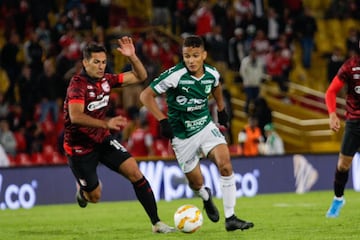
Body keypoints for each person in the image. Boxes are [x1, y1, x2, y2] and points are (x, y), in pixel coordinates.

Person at [140, 35, 254, 232]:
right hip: (181, 136)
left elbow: (216, 86)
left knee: (225, 165)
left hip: (205, 127)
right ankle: (205, 196)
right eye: (186, 56)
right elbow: (145, 96)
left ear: (204, 55)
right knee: (196, 183)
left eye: (195, 55)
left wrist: (221, 109)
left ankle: (231, 218)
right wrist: (162, 119)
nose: (191, 60)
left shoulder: (212, 73)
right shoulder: (175, 75)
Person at [63, 37, 175, 233]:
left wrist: (132, 57)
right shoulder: (77, 84)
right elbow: (75, 116)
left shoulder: (107, 80)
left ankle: (156, 223)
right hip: (80, 148)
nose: (101, 66)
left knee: (135, 172)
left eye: (104, 62)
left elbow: (140, 76)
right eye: (96, 62)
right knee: (95, 197)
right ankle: (83, 192)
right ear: (85, 62)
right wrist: (106, 123)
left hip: (102, 140)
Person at [324, 43, 360, 218]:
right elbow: (331, 91)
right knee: (342, 165)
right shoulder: (349, 66)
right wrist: (332, 115)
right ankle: (338, 199)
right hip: (354, 124)